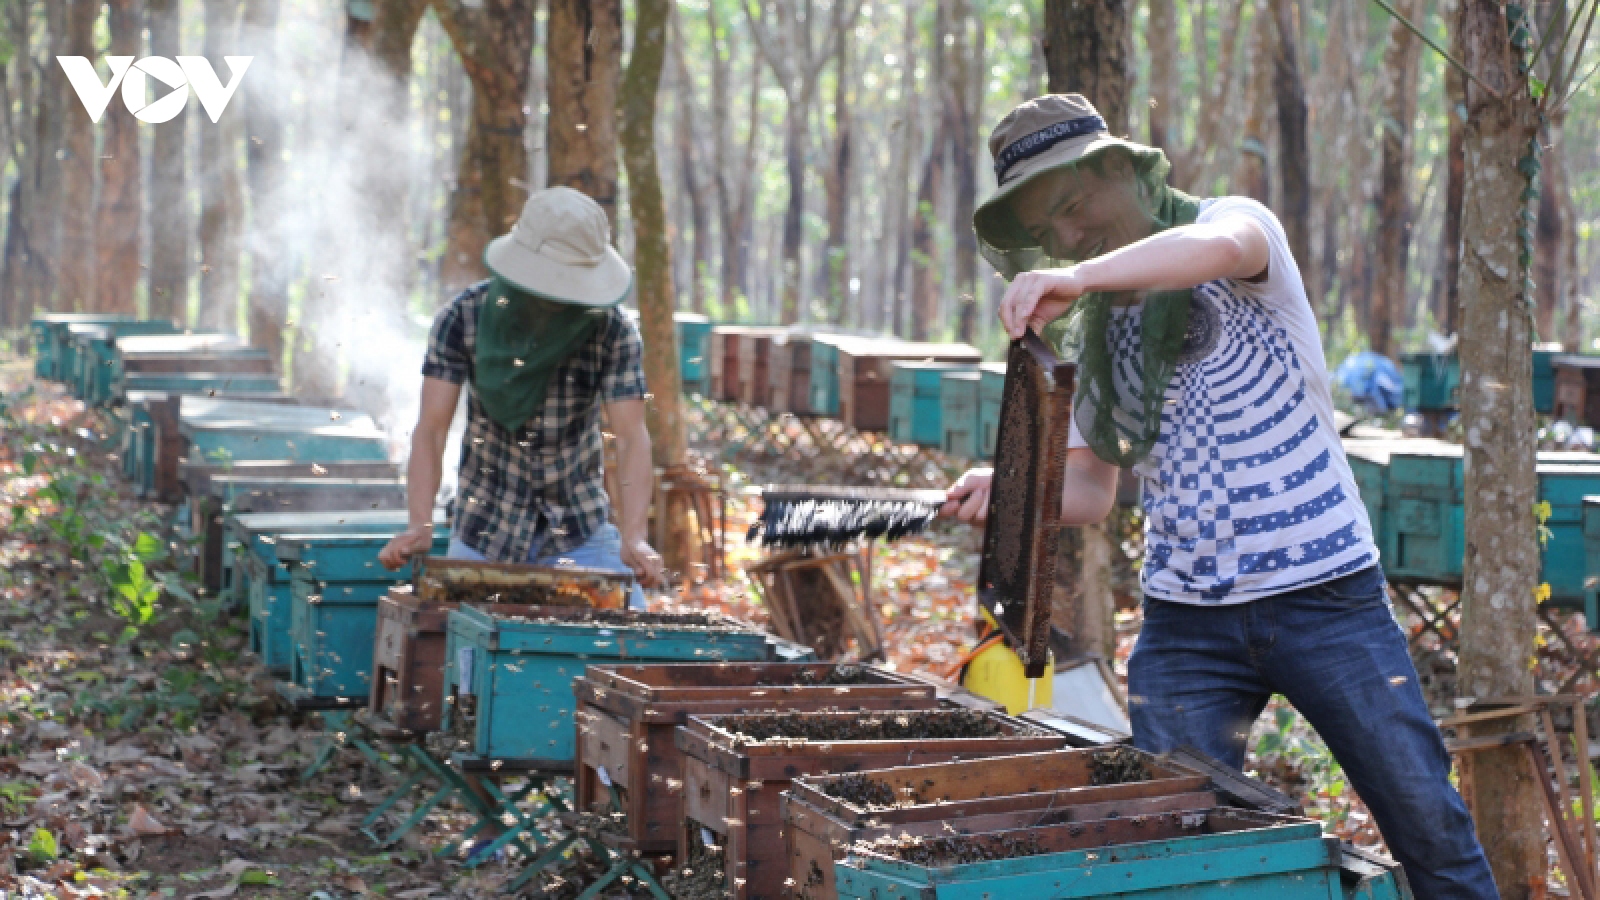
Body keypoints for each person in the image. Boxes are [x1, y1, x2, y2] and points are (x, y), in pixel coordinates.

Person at [941, 94, 1497, 899]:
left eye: (1073, 204)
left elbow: (1215, 248)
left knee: (1428, 828)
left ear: (1120, 169)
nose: (1067, 234)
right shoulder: (1096, 333)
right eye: (1047, 227)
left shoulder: (1238, 226)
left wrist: (1078, 275)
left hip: (1328, 600)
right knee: (1170, 853)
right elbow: (1093, 491)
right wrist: (1015, 489)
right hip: (1186, 628)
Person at [378, 186, 663, 606]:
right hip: (484, 528)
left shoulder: (613, 331)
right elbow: (432, 430)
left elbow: (632, 435)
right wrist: (420, 523)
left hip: (579, 527)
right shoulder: (463, 318)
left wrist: (635, 537)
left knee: (628, 646)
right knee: (465, 656)